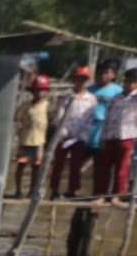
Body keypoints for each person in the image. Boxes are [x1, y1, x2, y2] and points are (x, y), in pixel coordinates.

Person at [49, 65, 98, 200]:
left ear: (87, 81)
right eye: (78, 79)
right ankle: (54, 189)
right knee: (58, 163)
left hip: (80, 136)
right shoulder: (66, 96)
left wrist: (80, 135)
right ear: (74, 80)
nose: (81, 82)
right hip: (64, 135)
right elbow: (60, 115)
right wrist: (64, 132)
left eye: (84, 79)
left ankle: (73, 189)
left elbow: (89, 118)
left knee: (76, 164)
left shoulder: (91, 99)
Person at [95, 68, 137, 202]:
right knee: (104, 167)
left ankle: (116, 195)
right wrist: (103, 137)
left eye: (133, 81)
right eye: (128, 81)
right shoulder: (115, 98)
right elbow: (106, 117)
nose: (130, 84)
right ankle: (101, 194)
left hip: (127, 136)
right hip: (110, 136)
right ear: (124, 81)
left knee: (122, 169)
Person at [14, 74, 52, 198]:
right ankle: (18, 191)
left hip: (39, 142)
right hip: (25, 141)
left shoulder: (48, 106)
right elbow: (17, 118)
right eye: (37, 90)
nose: (39, 93)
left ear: (46, 92)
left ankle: (32, 191)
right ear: (32, 91)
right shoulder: (26, 106)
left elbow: (51, 122)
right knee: (21, 166)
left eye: (42, 90)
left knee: (36, 168)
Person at [89, 59, 123, 159]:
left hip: (106, 131)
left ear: (113, 75)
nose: (102, 75)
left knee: (101, 165)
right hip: (88, 130)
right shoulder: (89, 90)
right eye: (99, 73)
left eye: (106, 73)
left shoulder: (119, 91)